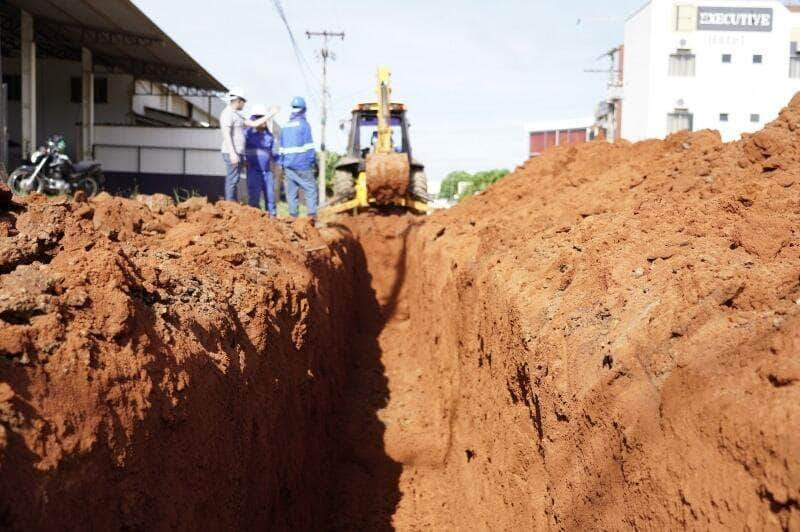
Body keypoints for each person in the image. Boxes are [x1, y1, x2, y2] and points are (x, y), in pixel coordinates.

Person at [219, 87, 275, 202]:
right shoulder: (227, 114)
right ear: (238, 101)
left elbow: (254, 124)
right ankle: (229, 205)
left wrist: (270, 114)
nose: (244, 104)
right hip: (232, 152)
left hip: (237, 153)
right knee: (232, 180)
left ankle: (232, 205)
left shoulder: (237, 115)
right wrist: (232, 153)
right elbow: (226, 134)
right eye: (244, 102)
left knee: (235, 180)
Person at [279, 96, 317, 220]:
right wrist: (312, 162)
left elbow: (281, 149)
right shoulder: (304, 125)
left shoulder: (285, 126)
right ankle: (311, 217)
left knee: (291, 193)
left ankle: (293, 219)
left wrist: (282, 165)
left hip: (288, 165)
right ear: (304, 110)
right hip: (302, 165)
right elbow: (309, 147)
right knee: (310, 188)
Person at [244, 104, 279, 215]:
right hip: (253, 171)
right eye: (261, 118)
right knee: (254, 199)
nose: (264, 121)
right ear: (254, 119)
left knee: (271, 200)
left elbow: (274, 154)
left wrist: (281, 164)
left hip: (267, 173)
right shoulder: (247, 134)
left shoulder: (269, 136)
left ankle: (273, 222)